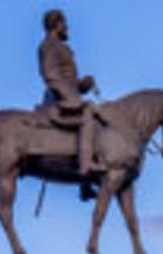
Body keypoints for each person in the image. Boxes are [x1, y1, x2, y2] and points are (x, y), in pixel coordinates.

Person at [37, 9, 104, 177]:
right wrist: (72, 99)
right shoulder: (49, 46)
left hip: (67, 97)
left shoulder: (62, 47)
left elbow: (70, 82)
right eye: (64, 24)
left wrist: (84, 84)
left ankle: (87, 183)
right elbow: (50, 75)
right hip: (58, 101)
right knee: (88, 117)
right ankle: (85, 164)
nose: (67, 27)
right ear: (57, 25)